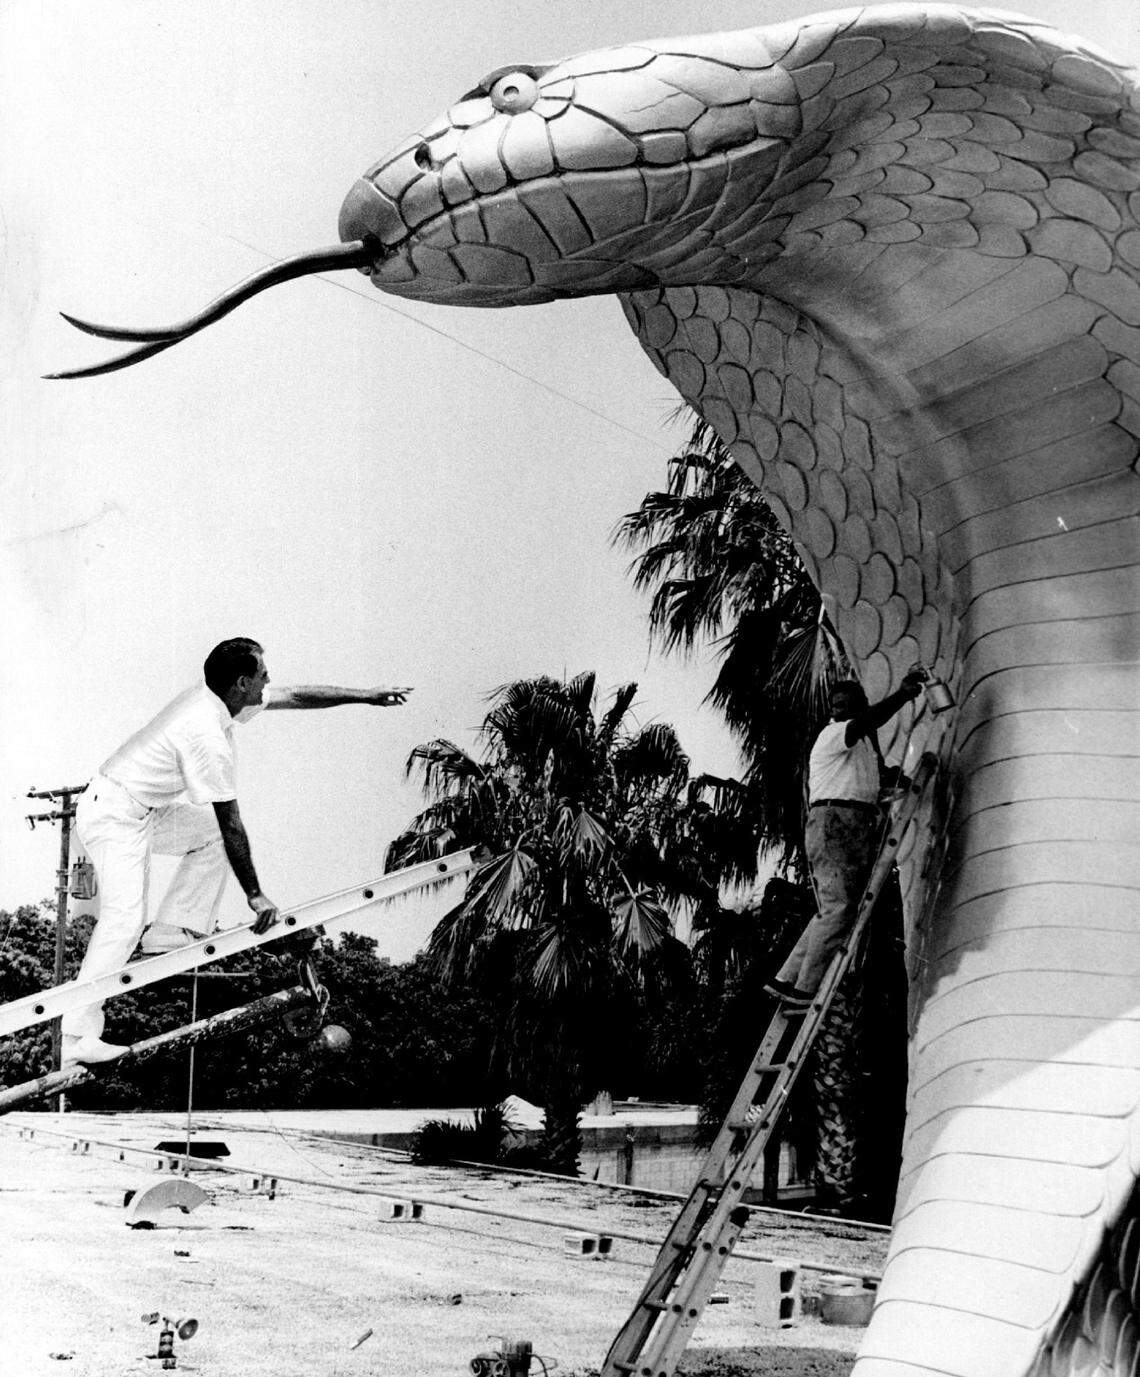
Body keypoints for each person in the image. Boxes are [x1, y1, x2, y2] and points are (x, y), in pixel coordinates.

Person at [61, 638, 412, 1066]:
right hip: (112, 814)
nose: (270, 681)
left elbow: (297, 696)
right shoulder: (204, 733)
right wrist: (255, 894)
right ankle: (77, 1034)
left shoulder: (223, 698)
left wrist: (366, 696)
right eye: (263, 674)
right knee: (125, 918)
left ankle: (173, 928)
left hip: (141, 809)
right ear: (242, 683)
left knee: (205, 832)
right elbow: (233, 823)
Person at [762, 668, 926, 1011]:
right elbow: (864, 724)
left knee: (832, 908)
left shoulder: (861, 747)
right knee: (839, 908)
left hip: (850, 822)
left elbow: (867, 786)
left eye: (845, 704)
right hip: (836, 823)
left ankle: (786, 978)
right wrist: (903, 694)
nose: (838, 709)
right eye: (836, 705)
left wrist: (896, 782)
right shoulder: (836, 734)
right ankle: (805, 989)